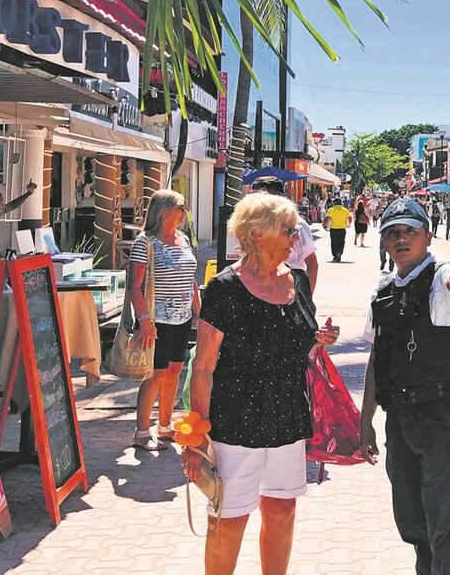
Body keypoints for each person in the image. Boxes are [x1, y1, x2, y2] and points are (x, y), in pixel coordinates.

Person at [182, 192, 339, 574]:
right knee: (228, 519)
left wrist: (319, 338)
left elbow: (298, 336)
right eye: (288, 230)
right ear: (257, 234)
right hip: (234, 424)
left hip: (287, 419)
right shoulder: (224, 289)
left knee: (282, 510)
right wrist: (197, 433)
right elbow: (202, 367)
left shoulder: (298, 281)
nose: (295, 238)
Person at [357, 198, 450, 575]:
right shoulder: (383, 292)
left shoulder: (442, 278)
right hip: (401, 417)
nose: (400, 239)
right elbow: (378, 360)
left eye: (409, 231)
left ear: (428, 236)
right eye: (392, 233)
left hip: (442, 416)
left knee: (444, 521)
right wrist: (365, 423)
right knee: (412, 521)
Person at [127, 189, 200, 451]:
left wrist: (197, 307)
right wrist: (144, 320)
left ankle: (166, 426)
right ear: (165, 210)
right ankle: (142, 431)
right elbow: (134, 286)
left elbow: (189, 275)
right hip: (156, 320)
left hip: (181, 318)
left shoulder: (183, 239)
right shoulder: (145, 242)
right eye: (181, 207)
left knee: (174, 371)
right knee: (155, 374)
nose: (184, 213)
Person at [251, 177, 319, 291]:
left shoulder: (296, 225)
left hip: (289, 290)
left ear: (278, 196)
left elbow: (312, 263)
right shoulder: (252, 224)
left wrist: (308, 300)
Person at [0, 179, 37, 261]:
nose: (4, 206)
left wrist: (28, 193)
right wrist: (13, 258)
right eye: (1, 203)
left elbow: (11, 206)